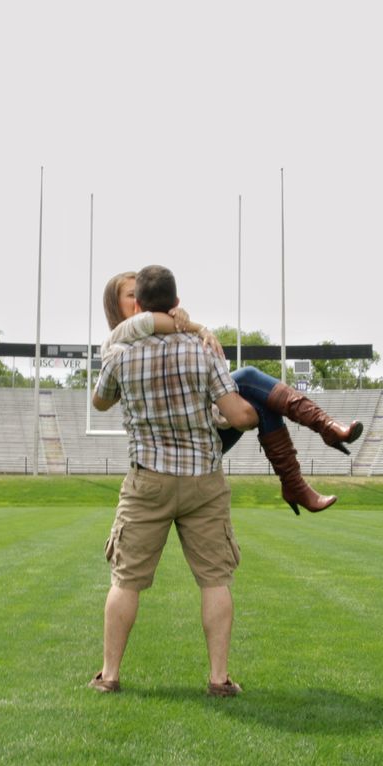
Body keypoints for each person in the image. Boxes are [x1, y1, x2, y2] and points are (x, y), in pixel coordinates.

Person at [90, 265, 258, 697]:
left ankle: (109, 675)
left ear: (140, 308)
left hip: (148, 480)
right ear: (177, 304)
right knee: (215, 580)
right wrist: (259, 414)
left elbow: (100, 401)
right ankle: (219, 679)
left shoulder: (120, 355)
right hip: (203, 480)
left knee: (125, 580)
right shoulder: (202, 350)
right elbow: (237, 415)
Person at [100, 270, 364, 514]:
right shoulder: (117, 345)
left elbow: (156, 324)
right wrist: (195, 326)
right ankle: (310, 453)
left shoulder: (165, 335)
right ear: (116, 305)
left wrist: (186, 323)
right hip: (176, 445)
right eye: (132, 295)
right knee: (250, 380)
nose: (139, 301)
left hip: (198, 435)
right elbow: (149, 323)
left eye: (140, 294)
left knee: (260, 397)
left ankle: (301, 470)